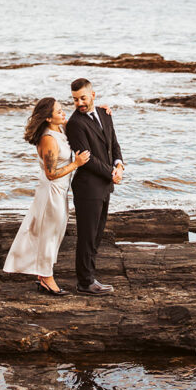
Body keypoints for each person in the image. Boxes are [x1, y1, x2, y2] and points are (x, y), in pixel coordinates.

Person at [3, 97, 91, 295]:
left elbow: (82, 119)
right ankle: (46, 278)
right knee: (48, 235)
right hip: (51, 192)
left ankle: (43, 275)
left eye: (61, 109)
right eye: (58, 111)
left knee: (55, 233)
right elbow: (51, 174)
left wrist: (101, 109)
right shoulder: (48, 139)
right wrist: (76, 164)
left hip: (60, 191)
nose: (63, 113)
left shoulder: (59, 129)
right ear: (49, 119)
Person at [65, 78, 125, 296]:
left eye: (82, 98)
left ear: (93, 95)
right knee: (87, 236)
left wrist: (119, 165)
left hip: (105, 186)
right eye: (74, 99)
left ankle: (90, 276)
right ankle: (85, 282)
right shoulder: (74, 124)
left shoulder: (104, 114)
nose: (79, 103)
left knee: (97, 235)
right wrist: (111, 173)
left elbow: (114, 144)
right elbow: (87, 159)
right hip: (88, 188)